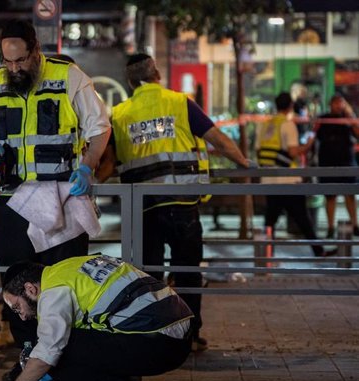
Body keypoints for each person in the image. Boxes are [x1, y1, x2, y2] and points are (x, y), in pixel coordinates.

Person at [0, 19, 111, 375]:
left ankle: (69, 369)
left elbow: (99, 128)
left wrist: (87, 165)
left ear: (36, 51)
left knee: (62, 284)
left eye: (21, 60)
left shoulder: (70, 77)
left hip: (61, 196)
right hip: (12, 200)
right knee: (16, 286)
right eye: (9, 62)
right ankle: (29, 363)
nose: (14, 68)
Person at [99, 53, 251, 352]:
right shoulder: (180, 103)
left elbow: (107, 164)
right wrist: (244, 164)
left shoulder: (119, 113)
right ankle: (189, 335)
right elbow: (217, 139)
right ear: (156, 73)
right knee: (188, 270)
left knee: (147, 274)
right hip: (182, 203)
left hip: (143, 208)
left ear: (130, 82)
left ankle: (152, 332)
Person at [0, 254, 194, 381]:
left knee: (58, 353)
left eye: (17, 307)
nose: (21, 317)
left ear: (30, 289)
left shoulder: (53, 292)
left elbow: (48, 353)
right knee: (70, 345)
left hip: (159, 341)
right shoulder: (66, 269)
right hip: (173, 332)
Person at [257, 92, 335, 257]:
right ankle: (318, 250)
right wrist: (308, 144)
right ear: (290, 106)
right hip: (288, 180)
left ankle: (265, 255)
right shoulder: (288, 125)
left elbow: (258, 150)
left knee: (270, 220)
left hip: (269, 179)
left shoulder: (265, 125)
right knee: (303, 218)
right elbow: (293, 151)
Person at [307, 94, 359, 237]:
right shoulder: (323, 119)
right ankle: (330, 228)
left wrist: (351, 116)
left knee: (350, 194)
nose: (338, 106)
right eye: (336, 103)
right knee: (330, 196)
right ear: (330, 104)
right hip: (328, 161)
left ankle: (355, 224)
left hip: (347, 161)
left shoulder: (348, 119)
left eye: (341, 103)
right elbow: (312, 135)